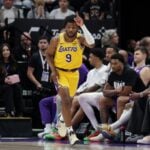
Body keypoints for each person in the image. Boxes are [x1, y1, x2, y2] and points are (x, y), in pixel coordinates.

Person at [46, 14, 95, 145]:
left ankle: (62, 119)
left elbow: (92, 44)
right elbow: (48, 55)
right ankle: (71, 134)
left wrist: (83, 25)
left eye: (74, 27)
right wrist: (53, 71)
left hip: (74, 74)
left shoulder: (80, 39)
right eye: (69, 27)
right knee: (66, 101)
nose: (71, 29)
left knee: (70, 102)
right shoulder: (57, 39)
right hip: (60, 73)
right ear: (65, 28)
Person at [0, 43, 24, 117]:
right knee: (8, 88)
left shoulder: (14, 63)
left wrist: (13, 79)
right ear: (1, 52)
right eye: (3, 50)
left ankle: (19, 111)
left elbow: (19, 76)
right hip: (1, 85)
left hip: (12, 84)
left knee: (17, 87)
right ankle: (9, 111)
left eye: (7, 50)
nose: (5, 52)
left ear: (10, 51)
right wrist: (4, 80)